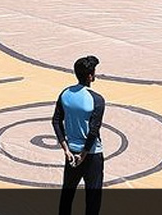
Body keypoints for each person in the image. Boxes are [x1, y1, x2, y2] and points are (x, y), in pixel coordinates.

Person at [52, 56, 105, 215]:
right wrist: (83, 154)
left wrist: (66, 149)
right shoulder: (97, 100)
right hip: (92, 155)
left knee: (67, 195)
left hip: (71, 153)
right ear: (90, 76)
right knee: (93, 199)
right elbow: (93, 131)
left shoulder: (65, 94)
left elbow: (56, 121)